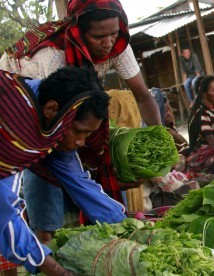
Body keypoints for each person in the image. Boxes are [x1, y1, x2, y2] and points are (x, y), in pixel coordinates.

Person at [0, 0, 160, 244]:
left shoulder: (116, 44)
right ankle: (44, 239)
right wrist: (43, 262)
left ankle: (119, 223)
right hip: (25, 114)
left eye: (113, 33)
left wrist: (160, 133)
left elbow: (142, 95)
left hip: (62, 114)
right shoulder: (53, 57)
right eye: (99, 36)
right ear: (79, 33)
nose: (108, 43)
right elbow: (51, 126)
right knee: (45, 166)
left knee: (73, 168)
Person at [0, 67, 126, 275]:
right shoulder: (12, 125)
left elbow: (79, 182)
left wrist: (128, 226)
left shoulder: (55, 117)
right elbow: (3, 211)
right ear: (51, 109)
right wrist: (54, 268)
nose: (81, 142)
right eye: (79, 131)